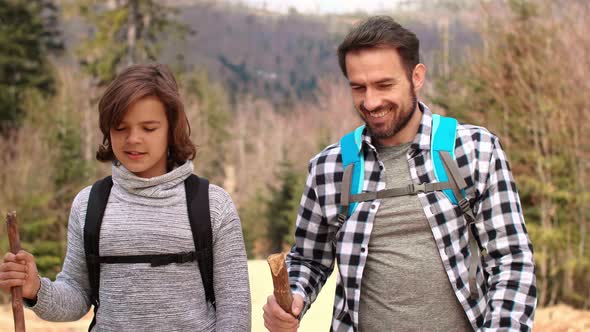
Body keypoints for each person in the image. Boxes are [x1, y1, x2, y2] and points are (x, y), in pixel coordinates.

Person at [263, 16, 536, 331]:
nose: (371, 101)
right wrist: (293, 298)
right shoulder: (330, 168)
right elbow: (309, 260)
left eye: (384, 85)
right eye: (358, 87)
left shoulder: (475, 150)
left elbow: (512, 260)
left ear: (416, 77)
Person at [0, 63, 251, 331]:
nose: (133, 139)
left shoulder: (213, 205)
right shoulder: (88, 205)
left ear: (172, 129)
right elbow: (77, 296)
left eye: (149, 128)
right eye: (120, 128)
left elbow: (234, 308)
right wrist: (36, 288)